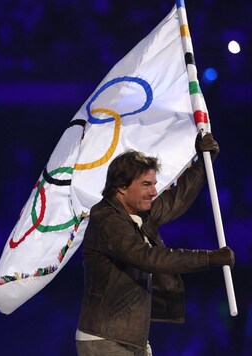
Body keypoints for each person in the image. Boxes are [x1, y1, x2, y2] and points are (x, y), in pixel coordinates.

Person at [75, 133, 235, 356]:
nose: (153, 192)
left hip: (131, 339)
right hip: (105, 340)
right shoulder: (108, 220)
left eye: (154, 184)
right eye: (146, 184)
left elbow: (174, 201)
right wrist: (209, 258)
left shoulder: (138, 213)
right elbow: (150, 258)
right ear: (121, 187)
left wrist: (202, 163)